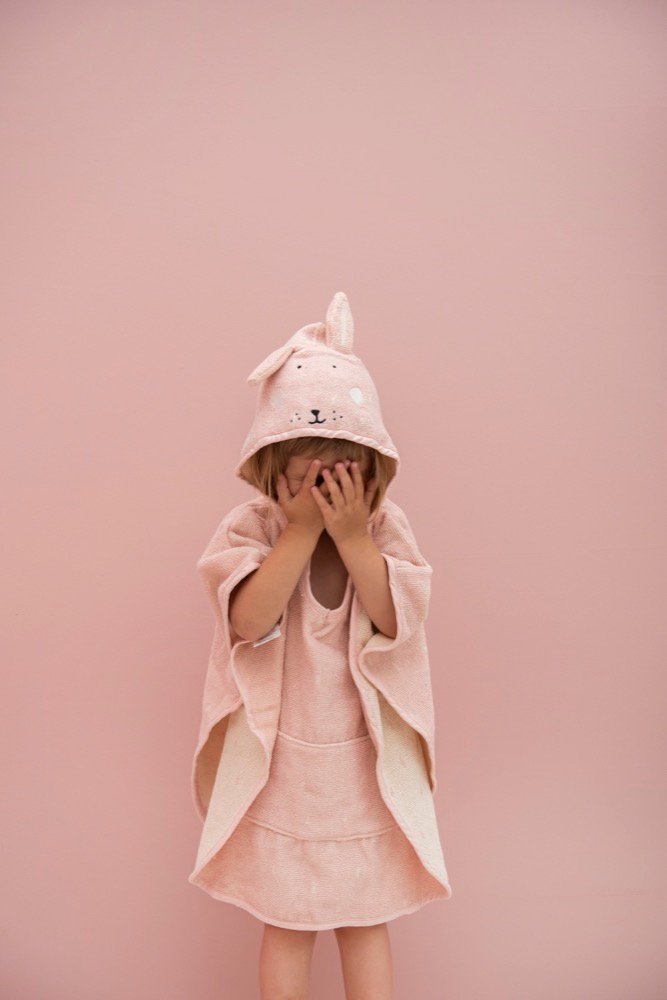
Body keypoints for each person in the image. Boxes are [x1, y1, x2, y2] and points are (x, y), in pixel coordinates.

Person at [188, 291, 452, 1000]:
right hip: (283, 770)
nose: (325, 495)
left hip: (362, 775)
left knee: (365, 920)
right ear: (270, 470)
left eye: (343, 478)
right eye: (308, 480)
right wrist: (302, 531)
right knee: (288, 920)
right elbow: (246, 620)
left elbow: (398, 620)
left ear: (373, 474)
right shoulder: (254, 530)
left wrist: (353, 536)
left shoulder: (384, 532)